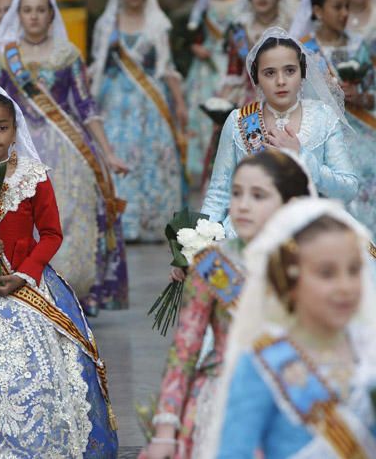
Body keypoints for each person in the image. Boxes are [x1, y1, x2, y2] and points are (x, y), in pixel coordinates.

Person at [0, 78, 119, 458]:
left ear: (15, 129)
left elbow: (51, 234)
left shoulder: (34, 176)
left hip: (29, 283)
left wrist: (25, 272)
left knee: (44, 374)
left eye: (2, 127)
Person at [142, 150, 314, 459]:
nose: (243, 205)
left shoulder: (312, 266)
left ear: (289, 205)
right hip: (220, 402)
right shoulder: (213, 265)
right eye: (236, 193)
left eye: (258, 195)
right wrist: (166, 430)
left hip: (292, 401)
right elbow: (185, 350)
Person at [0, 0, 129, 312]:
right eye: (27, 11)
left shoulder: (68, 55)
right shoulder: (6, 57)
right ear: (18, 15)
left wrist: (107, 152)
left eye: (41, 10)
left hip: (67, 149)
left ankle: (72, 291)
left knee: (68, 219)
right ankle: (28, 284)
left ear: (52, 15)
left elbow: (85, 105)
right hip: (21, 148)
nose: (34, 17)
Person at [202, 198, 376, 458]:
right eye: (327, 273)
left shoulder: (368, 350)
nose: (346, 286)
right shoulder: (263, 363)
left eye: (353, 270)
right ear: (289, 279)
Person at [202, 27, 358, 235]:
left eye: (290, 70)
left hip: (309, 231)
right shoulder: (239, 121)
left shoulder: (323, 117)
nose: (281, 81)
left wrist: (301, 157)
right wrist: (198, 244)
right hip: (250, 233)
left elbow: (348, 189)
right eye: (269, 73)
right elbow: (219, 194)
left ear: (302, 72)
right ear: (256, 78)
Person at [91, 0, 187, 243]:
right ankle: (123, 223)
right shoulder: (107, 24)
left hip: (150, 103)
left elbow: (166, 66)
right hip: (116, 102)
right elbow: (98, 65)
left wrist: (179, 103)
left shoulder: (158, 24)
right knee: (121, 156)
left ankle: (153, 222)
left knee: (152, 158)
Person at [294, 0, 376, 238]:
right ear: (318, 11)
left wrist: (360, 97)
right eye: (337, 7)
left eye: (347, 7)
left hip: (362, 130)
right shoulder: (303, 49)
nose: (344, 14)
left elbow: (373, 93)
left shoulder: (359, 46)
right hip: (323, 132)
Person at [184, 0, 246, 182]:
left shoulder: (243, 4)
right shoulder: (207, 4)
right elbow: (197, 35)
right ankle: (205, 172)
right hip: (206, 69)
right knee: (202, 119)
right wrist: (196, 47)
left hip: (231, 67)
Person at [220, 0, 294, 107]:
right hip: (249, 102)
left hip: (285, 97)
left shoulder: (291, 28)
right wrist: (221, 104)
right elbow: (233, 72)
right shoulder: (239, 30)